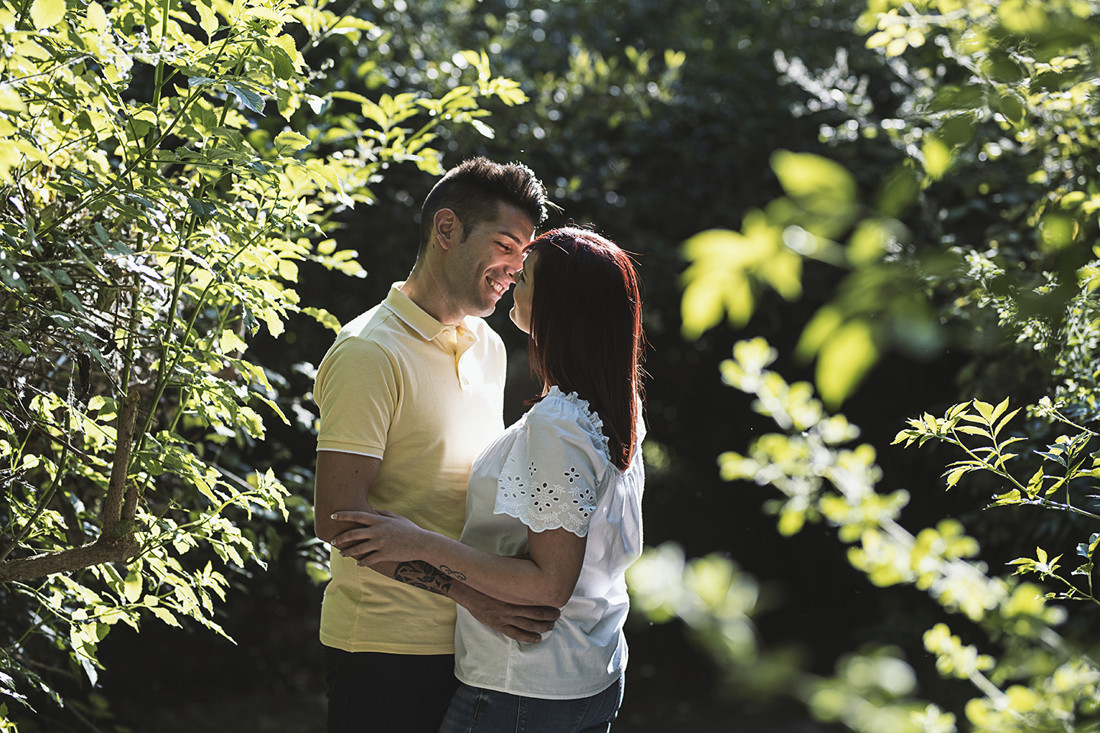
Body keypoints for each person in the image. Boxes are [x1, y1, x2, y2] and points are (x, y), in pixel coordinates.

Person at [332, 227, 647, 733]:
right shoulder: (616, 403)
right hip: (592, 668)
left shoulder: (558, 426)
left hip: (524, 680)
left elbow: (549, 584)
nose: (511, 282)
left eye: (525, 279)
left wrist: (417, 542)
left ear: (556, 304)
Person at [312, 157, 561, 733]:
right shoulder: (368, 353)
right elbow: (339, 519)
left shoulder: (489, 346)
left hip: (475, 645)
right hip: (382, 649)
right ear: (446, 230)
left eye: (522, 257)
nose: (513, 271)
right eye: (504, 245)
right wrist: (472, 595)